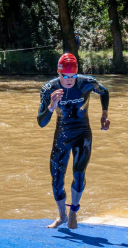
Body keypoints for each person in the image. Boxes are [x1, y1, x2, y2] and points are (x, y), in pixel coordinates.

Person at [37, 53, 110, 229]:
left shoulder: (86, 83)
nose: (69, 80)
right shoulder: (49, 89)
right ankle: (61, 216)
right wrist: (51, 106)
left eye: (72, 76)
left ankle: (73, 212)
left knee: (79, 173)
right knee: (56, 178)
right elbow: (41, 122)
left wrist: (104, 114)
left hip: (82, 133)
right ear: (58, 73)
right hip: (62, 134)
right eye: (65, 76)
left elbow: (104, 92)